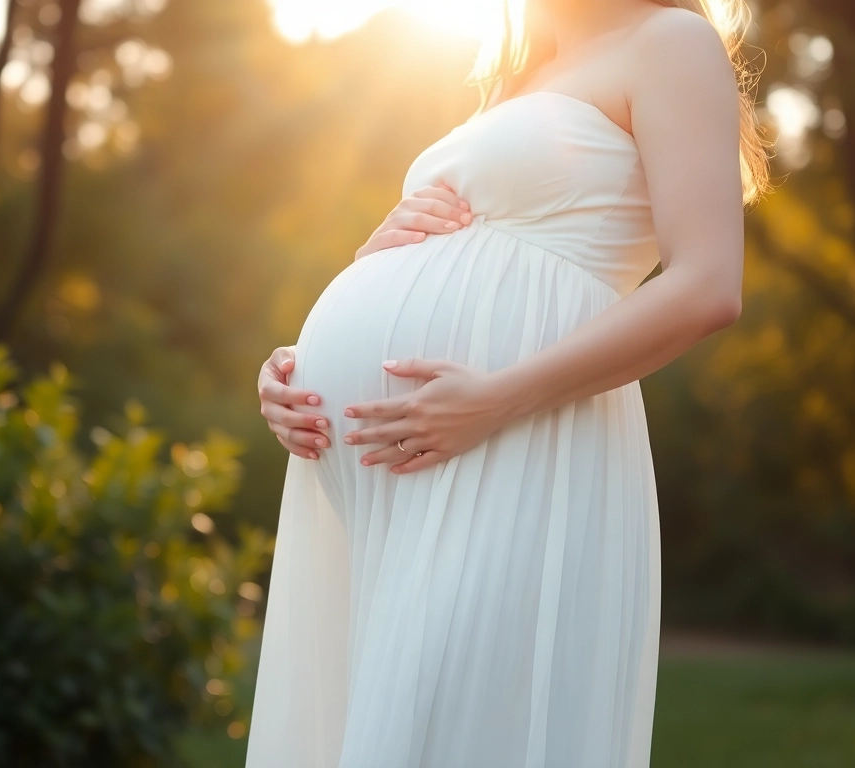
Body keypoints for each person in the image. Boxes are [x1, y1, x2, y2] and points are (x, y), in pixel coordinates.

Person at [247, 0, 767, 765]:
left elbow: (707, 285)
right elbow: (472, 254)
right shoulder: (515, 75)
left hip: (522, 439)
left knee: (449, 731)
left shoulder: (670, 41)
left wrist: (496, 399)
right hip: (400, 466)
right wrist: (304, 357)